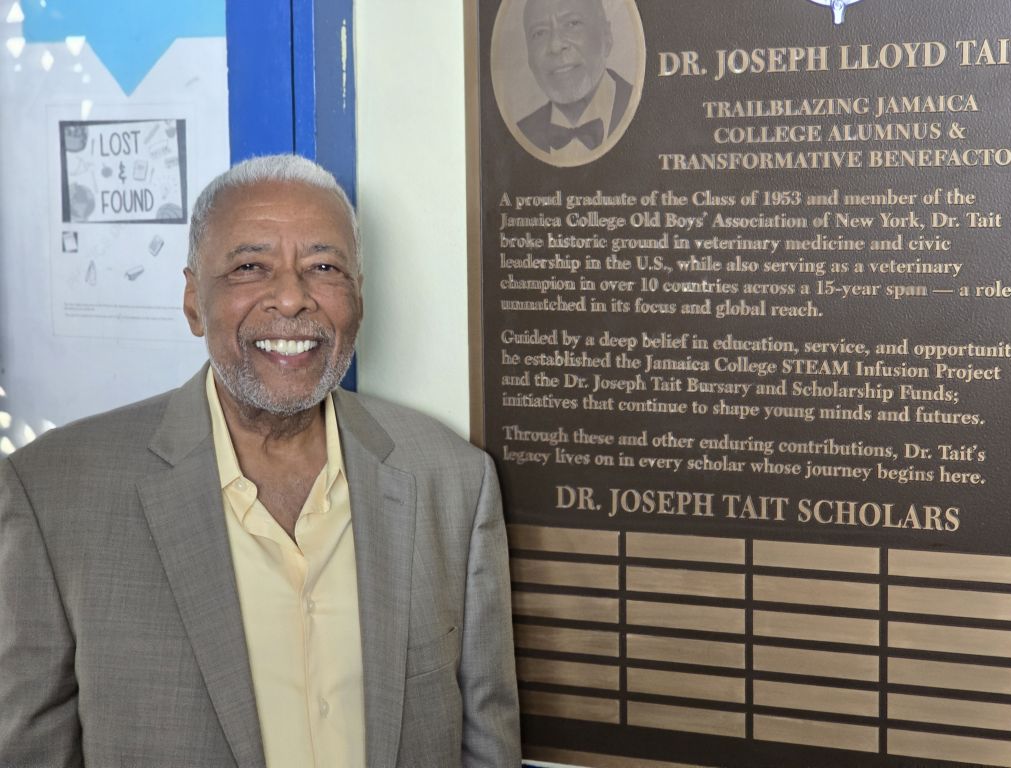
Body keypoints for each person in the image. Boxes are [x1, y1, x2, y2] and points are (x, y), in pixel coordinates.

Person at [0, 154, 521, 767]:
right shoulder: (54, 492)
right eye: (251, 267)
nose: (292, 299)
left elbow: (485, 736)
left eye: (323, 267)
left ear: (358, 296)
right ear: (194, 300)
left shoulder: (451, 478)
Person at [517, 0, 633, 161]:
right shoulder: (517, 136)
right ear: (529, 57)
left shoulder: (651, 112)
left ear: (606, 36)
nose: (555, 46)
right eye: (539, 33)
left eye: (572, 24)